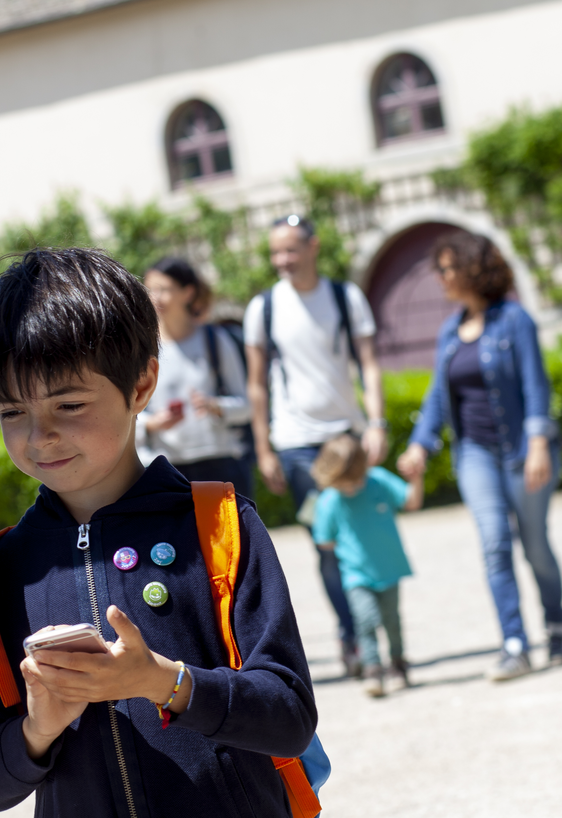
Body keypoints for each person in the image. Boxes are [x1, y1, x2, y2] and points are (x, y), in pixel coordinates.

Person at [0, 247, 316, 818]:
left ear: (143, 381)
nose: (40, 435)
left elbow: (290, 714)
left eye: (68, 403)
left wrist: (166, 682)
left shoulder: (219, 522)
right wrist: (40, 725)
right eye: (11, 412)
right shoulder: (1, 568)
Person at [397, 231, 562, 681]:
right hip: (474, 453)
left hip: (521, 451)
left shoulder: (515, 321)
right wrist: (420, 443)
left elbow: (536, 385)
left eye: (449, 269)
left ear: (474, 268)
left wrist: (537, 444)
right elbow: (438, 395)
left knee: (535, 546)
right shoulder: (450, 333)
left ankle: (555, 625)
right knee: (494, 544)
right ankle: (514, 644)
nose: (442, 278)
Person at [244, 214, 387, 678]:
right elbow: (257, 384)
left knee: (363, 536)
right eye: (275, 252)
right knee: (327, 543)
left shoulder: (346, 297)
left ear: (313, 246)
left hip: (346, 437)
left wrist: (377, 422)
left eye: (290, 249)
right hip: (297, 445)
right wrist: (264, 448)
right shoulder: (263, 308)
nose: (282, 260)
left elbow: (369, 363)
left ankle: (373, 630)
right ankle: (354, 637)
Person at [309, 435, 423, 699]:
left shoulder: (378, 481)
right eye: (343, 484)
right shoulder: (329, 500)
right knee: (365, 620)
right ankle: (373, 669)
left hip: (389, 569)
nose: (350, 489)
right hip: (356, 575)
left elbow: (411, 501)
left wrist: (416, 477)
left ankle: (398, 663)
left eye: (355, 482)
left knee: (392, 621)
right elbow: (323, 541)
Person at [139, 257, 255, 502]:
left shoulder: (216, 340)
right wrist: (151, 424)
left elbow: (246, 406)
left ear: (187, 292)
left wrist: (217, 406)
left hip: (221, 463)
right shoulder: (142, 349)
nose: (156, 298)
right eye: (151, 290)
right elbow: (125, 414)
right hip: (166, 468)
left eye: (164, 290)